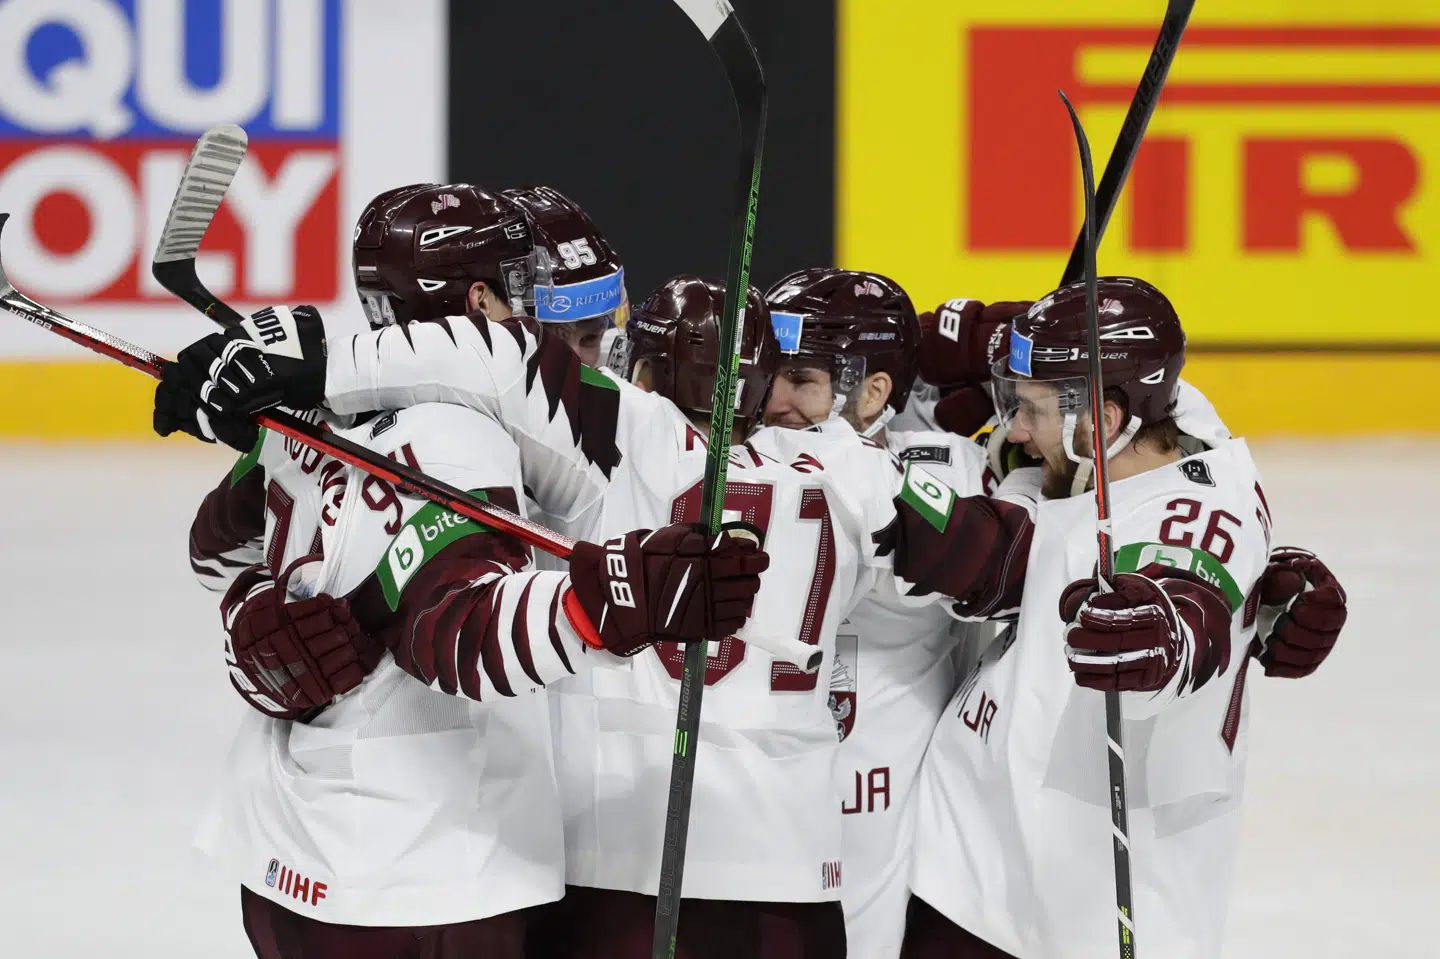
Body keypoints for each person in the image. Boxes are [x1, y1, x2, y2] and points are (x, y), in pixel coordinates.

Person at [184, 183, 764, 959]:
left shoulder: (301, 420)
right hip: (433, 871)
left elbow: (213, 547)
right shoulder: (465, 437)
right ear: (483, 301)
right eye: (551, 314)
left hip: (287, 852)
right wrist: (609, 601)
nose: (577, 348)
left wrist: (251, 611)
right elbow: (460, 633)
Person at [901, 276, 1322, 958]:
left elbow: (1191, 598)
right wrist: (990, 342)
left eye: (1031, 409)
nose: (1015, 429)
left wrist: (1162, 639)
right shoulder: (1168, 425)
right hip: (968, 868)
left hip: (1073, 913)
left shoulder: (1193, 518)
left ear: (1102, 417)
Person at [759, 268, 997, 959]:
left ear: (873, 392)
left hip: (883, 815)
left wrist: (1009, 345)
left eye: (800, 380)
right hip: (756, 801)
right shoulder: (728, 465)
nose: (773, 401)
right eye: (769, 373)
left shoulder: (961, 473)